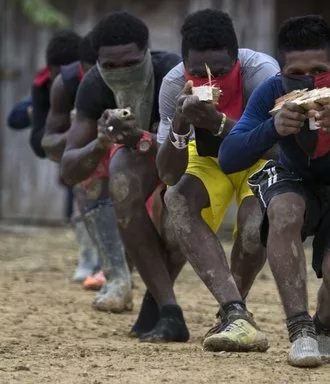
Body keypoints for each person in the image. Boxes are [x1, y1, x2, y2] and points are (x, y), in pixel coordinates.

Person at [218, 15, 330, 367]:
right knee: (283, 210)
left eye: (320, 69)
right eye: (297, 73)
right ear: (281, 72)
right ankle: (299, 329)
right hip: (295, 178)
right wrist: (272, 128)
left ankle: (323, 330)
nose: (311, 81)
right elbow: (229, 156)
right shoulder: (272, 93)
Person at [155, 9, 279, 350]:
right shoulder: (171, 85)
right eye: (197, 71)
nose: (209, 78)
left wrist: (219, 123)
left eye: (221, 71)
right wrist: (180, 125)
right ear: (184, 65)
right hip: (208, 160)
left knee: (255, 228)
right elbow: (167, 174)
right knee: (177, 198)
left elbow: (280, 150)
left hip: (257, 158)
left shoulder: (262, 74)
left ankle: (234, 316)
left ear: (237, 59)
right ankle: (234, 311)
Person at [60, 12, 184, 331]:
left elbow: (192, 149)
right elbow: (69, 169)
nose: (119, 72)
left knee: (178, 222)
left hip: (185, 156)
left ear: (146, 51)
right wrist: (101, 143)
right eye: (109, 66)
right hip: (137, 159)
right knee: (122, 182)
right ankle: (167, 307)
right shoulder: (93, 84)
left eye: (129, 63)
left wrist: (141, 139)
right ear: (98, 61)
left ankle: (156, 301)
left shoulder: (172, 72)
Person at [40, 33, 109, 289]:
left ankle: (112, 265)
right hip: (85, 148)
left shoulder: (131, 79)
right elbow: (48, 141)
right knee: (85, 198)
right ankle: (88, 258)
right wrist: (75, 140)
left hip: (122, 148)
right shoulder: (66, 84)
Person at [30, 29, 81, 158]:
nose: (62, 84)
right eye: (58, 76)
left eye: (67, 77)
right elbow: (39, 147)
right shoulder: (42, 85)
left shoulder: (91, 82)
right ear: (49, 71)